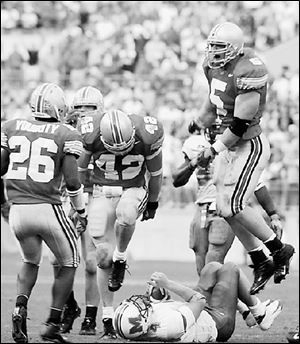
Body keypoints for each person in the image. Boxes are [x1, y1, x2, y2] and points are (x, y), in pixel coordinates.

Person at [188, 21, 294, 294]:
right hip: (230, 145)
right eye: (211, 46)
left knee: (233, 204)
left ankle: (279, 250)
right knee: (224, 208)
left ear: (235, 49)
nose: (213, 51)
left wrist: (213, 149)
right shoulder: (211, 66)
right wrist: (199, 121)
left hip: (248, 144)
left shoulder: (250, 70)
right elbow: (214, 102)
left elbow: (239, 125)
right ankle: (260, 258)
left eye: (220, 47)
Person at [1, 82, 87, 343]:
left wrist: (3, 203)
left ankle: (19, 308)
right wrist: (80, 210)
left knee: (30, 261)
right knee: (70, 262)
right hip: (47, 207)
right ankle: (52, 322)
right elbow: (72, 181)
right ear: (58, 106)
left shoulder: (11, 126)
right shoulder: (66, 133)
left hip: (18, 210)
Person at [77, 108, 164, 338]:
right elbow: (79, 169)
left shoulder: (147, 134)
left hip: (132, 189)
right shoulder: (91, 134)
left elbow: (156, 175)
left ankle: (121, 257)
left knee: (126, 215)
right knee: (102, 257)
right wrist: (78, 202)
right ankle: (107, 318)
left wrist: (153, 202)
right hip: (100, 192)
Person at [173, 124, 284, 276]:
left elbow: (258, 185)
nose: (216, 130)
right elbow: (177, 180)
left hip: (224, 208)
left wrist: (273, 215)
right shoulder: (196, 144)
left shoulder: (239, 147)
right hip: (201, 207)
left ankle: (231, 298)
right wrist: (194, 163)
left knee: (213, 260)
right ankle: (214, 298)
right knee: (200, 257)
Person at [113, 261, 282, 342]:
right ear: (143, 322)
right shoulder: (168, 327)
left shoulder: (143, 328)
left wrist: (158, 292)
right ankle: (260, 314)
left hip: (199, 315)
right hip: (217, 323)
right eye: (139, 309)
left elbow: (159, 307)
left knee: (212, 268)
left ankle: (247, 313)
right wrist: (168, 284)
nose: (139, 303)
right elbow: (199, 301)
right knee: (230, 269)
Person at [58, 86, 104, 336]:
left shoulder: (107, 131)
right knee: (58, 258)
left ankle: (90, 316)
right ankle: (69, 305)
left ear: (100, 110)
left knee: (90, 262)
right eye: (80, 108)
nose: (84, 114)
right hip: (70, 197)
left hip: (96, 195)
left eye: (90, 109)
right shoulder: (65, 132)